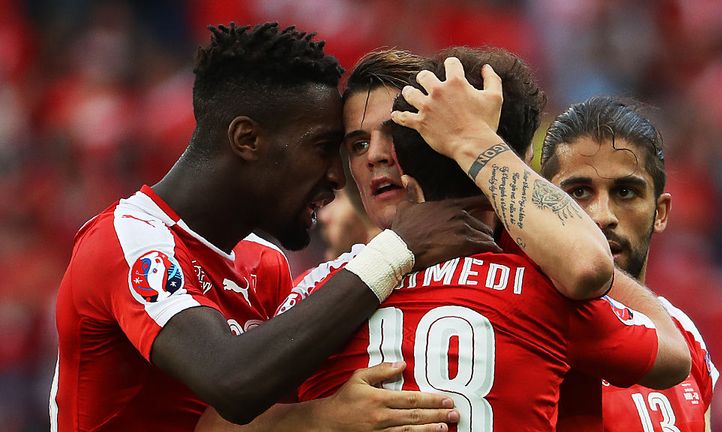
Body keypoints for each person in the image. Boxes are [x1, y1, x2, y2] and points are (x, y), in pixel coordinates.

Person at [51, 22, 500, 431]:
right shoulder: (128, 241)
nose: (338, 176)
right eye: (324, 148)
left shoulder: (264, 267)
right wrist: (396, 249)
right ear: (247, 140)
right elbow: (231, 381)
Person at [274, 47, 691, 431]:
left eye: (394, 133)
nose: (376, 156)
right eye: (357, 143)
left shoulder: (315, 289)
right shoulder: (544, 289)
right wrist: (322, 417)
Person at [540, 96, 718, 431]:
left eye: (625, 192)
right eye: (579, 192)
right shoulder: (519, 322)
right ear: (544, 204)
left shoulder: (684, 333)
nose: (601, 216)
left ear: (660, 213)